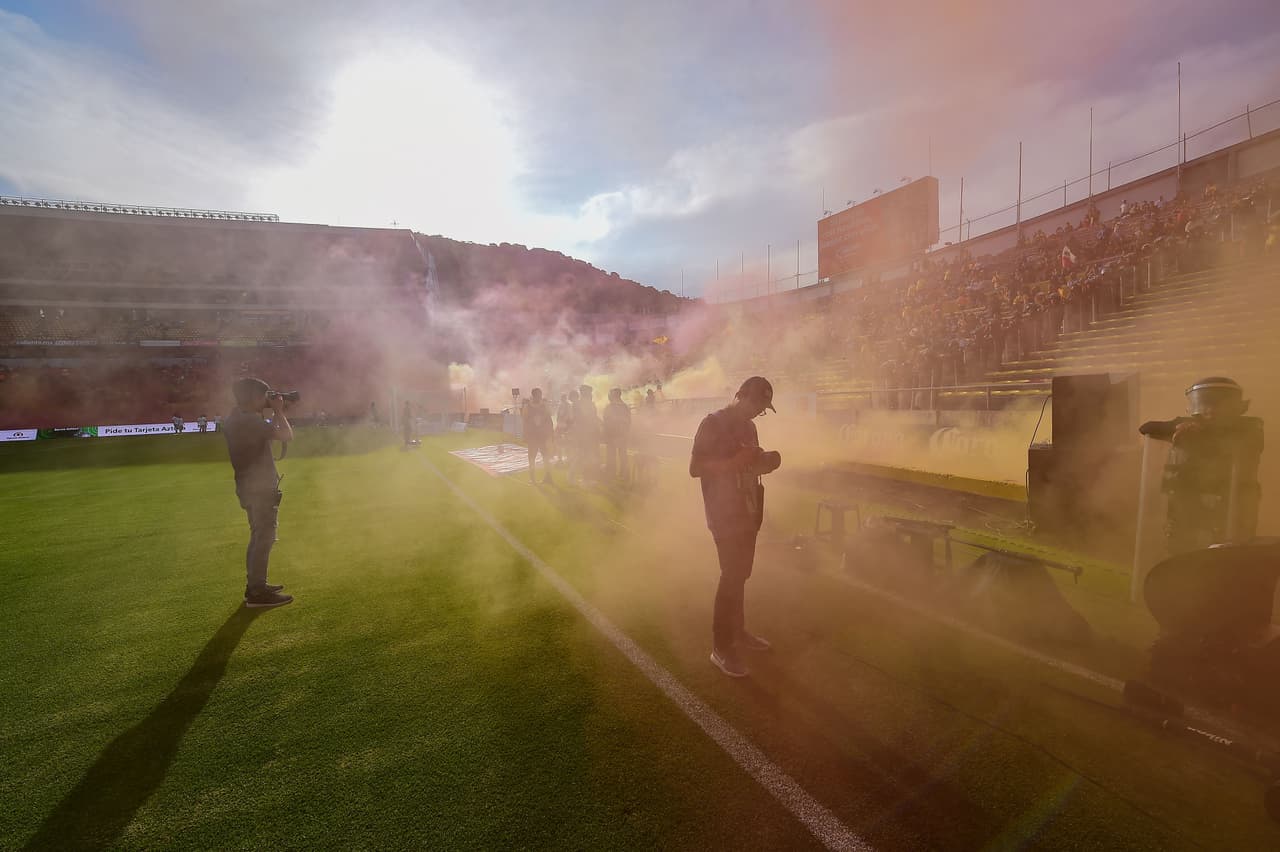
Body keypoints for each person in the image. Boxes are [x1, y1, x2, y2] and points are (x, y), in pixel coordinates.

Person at [689, 376, 782, 678]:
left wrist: (762, 462)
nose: (759, 412)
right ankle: (721, 646)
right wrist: (735, 462)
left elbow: (747, 463)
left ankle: (738, 632)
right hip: (723, 511)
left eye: (764, 408)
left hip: (748, 508)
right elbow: (696, 468)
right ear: (740, 395)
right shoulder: (713, 423)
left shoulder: (750, 427)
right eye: (757, 404)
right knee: (731, 575)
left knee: (741, 574)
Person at [1138, 377, 1264, 555]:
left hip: (1231, 517)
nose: (1211, 410)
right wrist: (1178, 428)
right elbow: (1147, 428)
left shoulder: (1251, 428)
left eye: (1219, 405)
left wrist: (1202, 436)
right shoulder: (1190, 423)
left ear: (1235, 407)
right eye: (1205, 404)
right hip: (1187, 512)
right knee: (1181, 558)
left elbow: (1241, 447)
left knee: (1225, 563)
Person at [223, 377, 294, 608]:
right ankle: (257, 591)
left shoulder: (237, 419)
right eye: (264, 395)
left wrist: (272, 411)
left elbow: (267, 434)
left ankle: (256, 585)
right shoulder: (251, 422)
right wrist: (279, 411)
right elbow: (286, 435)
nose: (267, 399)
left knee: (258, 536)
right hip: (260, 487)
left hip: (247, 486)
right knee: (264, 537)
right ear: (254, 397)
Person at [522, 387, 555, 484]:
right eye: (538, 395)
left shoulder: (545, 406)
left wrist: (550, 433)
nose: (539, 397)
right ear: (533, 396)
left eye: (540, 395)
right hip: (533, 436)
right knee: (532, 457)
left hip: (542, 436)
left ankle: (548, 477)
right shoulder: (527, 407)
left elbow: (549, 421)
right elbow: (525, 421)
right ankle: (532, 478)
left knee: (545, 457)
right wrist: (526, 435)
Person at [602, 387, 632, 482]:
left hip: (613, 434)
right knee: (622, 455)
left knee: (612, 455)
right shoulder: (625, 407)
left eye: (610, 394)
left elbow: (606, 421)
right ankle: (624, 473)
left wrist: (605, 433)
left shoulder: (610, 407)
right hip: (622, 434)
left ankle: (612, 473)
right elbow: (628, 421)